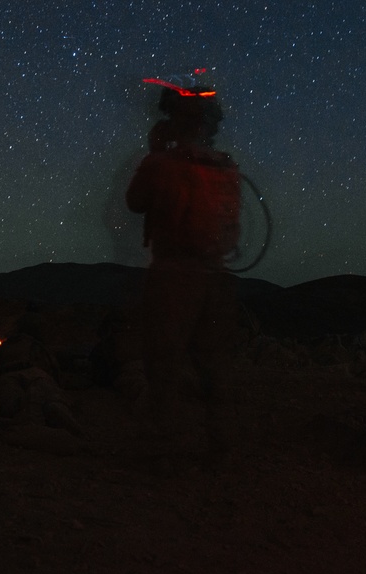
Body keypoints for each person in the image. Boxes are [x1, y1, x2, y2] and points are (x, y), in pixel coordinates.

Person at [125, 85, 242, 450]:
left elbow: (135, 202)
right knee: (213, 362)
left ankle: (161, 445)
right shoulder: (226, 168)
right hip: (216, 276)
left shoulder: (161, 164)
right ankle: (221, 442)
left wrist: (156, 153)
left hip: (173, 275)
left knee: (163, 359)